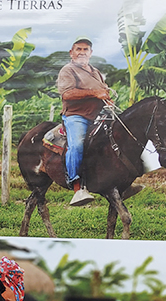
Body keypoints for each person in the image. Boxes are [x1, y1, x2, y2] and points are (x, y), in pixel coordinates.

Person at [57, 36, 112, 207]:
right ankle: (77, 187)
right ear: (71, 52)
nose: (82, 52)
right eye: (78, 49)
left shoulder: (95, 72)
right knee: (77, 145)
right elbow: (67, 94)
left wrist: (108, 100)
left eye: (85, 49)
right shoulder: (68, 70)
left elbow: (103, 92)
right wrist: (94, 93)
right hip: (76, 116)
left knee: (118, 139)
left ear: (91, 53)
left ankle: (117, 182)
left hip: (98, 115)